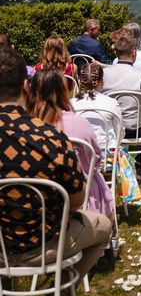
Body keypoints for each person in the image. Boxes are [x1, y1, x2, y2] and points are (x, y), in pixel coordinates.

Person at [0, 47, 111, 282]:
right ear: (25, 87)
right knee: (103, 227)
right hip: (43, 245)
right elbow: (76, 201)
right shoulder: (50, 137)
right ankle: (62, 291)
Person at [27, 68, 115, 221]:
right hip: (77, 195)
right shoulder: (79, 122)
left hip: (35, 197)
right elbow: (96, 159)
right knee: (94, 176)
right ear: (65, 91)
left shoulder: (26, 126)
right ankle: (106, 230)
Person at [72, 62, 124, 152]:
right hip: (106, 159)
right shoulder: (111, 103)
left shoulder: (71, 104)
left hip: (79, 157)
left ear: (80, 81)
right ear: (102, 81)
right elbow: (120, 133)